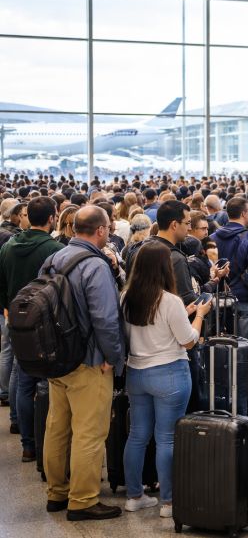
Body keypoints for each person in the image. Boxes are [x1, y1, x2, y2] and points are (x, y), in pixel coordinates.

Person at [41, 205, 127, 520]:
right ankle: (83, 500)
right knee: (90, 432)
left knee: (57, 427)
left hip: (56, 358)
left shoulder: (53, 259)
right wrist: (112, 357)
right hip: (88, 361)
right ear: (101, 230)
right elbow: (105, 319)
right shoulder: (95, 265)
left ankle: (57, 493)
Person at [121, 241, 212, 518]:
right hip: (170, 374)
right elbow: (188, 341)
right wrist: (199, 316)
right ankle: (169, 503)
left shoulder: (126, 297)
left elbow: (149, 324)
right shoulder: (170, 301)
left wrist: (183, 316)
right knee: (167, 439)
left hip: (136, 372)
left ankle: (134, 495)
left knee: (137, 436)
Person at [0, 196, 64, 462]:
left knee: (21, 375)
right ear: (52, 218)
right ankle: (47, 442)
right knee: (49, 384)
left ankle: (27, 442)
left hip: (16, 318)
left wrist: (6, 309)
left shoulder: (8, 245)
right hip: (48, 323)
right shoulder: (54, 249)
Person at [211, 197, 248, 361]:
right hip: (245, 298)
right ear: (244, 213)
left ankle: (228, 381)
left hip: (219, 299)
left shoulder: (213, 237)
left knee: (223, 346)